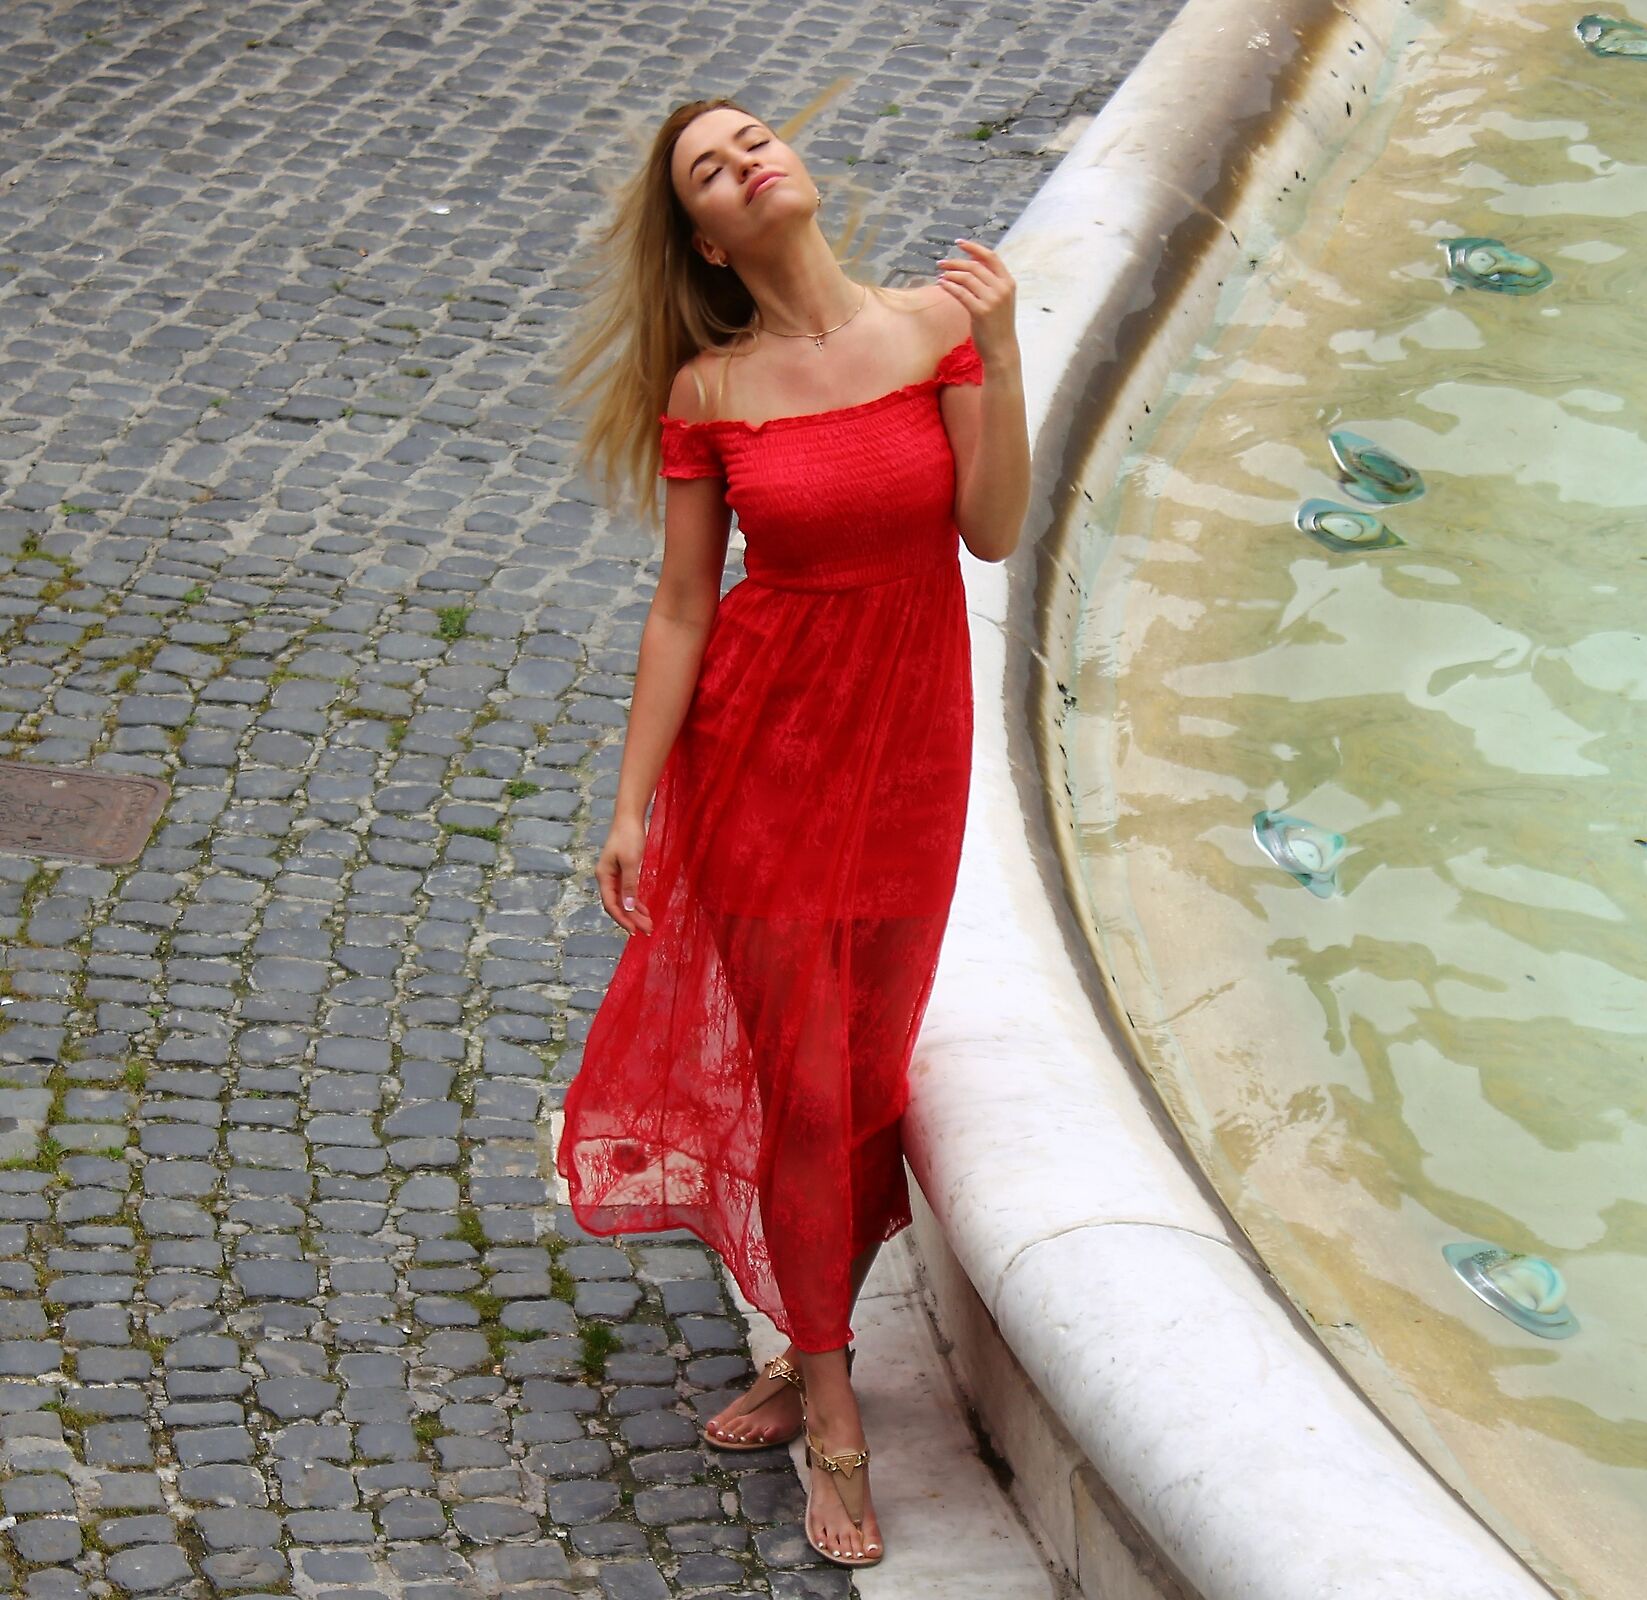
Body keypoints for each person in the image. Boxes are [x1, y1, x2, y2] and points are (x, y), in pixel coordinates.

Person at [550, 96, 1030, 1568]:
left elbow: (994, 528)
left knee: (863, 1074)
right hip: (761, 757)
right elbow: (683, 605)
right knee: (803, 1086)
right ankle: (831, 1408)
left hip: (907, 758)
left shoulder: (937, 329)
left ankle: (800, 1329)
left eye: (754, 136)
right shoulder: (711, 391)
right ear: (706, 238)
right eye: (712, 166)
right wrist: (633, 803)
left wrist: (1005, 351)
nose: (749, 158)